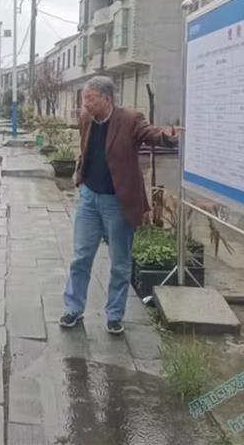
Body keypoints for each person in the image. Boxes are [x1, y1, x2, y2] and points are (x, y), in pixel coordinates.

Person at [60, 76, 180, 335]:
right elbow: (86, 150)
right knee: (81, 257)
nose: (85, 104)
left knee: (120, 263)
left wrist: (167, 136)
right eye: (84, 98)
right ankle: (73, 308)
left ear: (107, 98)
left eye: (90, 99)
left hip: (117, 201)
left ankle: (115, 315)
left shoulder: (130, 119)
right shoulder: (86, 119)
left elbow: (150, 133)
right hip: (89, 199)